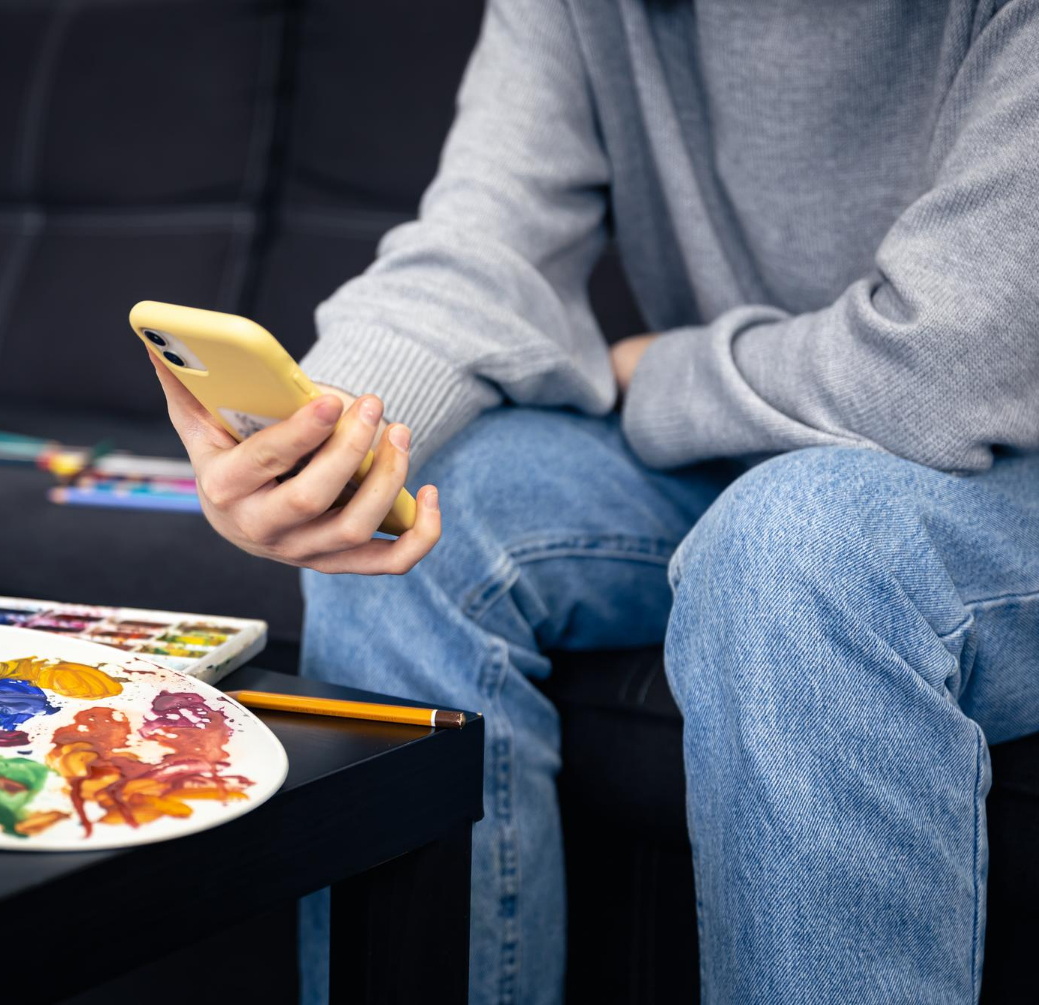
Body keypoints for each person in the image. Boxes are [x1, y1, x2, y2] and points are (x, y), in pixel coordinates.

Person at [154, 0, 1039, 1001]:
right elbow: (485, 247)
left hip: (1006, 470)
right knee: (414, 516)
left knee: (800, 548)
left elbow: (952, 363)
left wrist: (661, 374)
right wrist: (318, 442)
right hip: (764, 450)